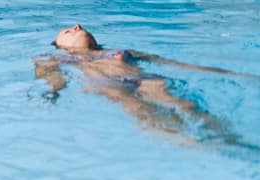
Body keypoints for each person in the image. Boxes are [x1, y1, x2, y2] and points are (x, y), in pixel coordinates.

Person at [34, 24, 244, 145]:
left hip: (145, 79)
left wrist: (230, 73)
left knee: (186, 105)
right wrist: (54, 91)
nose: (77, 26)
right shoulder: (57, 57)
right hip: (107, 83)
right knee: (144, 111)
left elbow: (172, 63)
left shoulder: (121, 51)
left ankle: (227, 137)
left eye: (77, 27)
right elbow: (51, 75)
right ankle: (191, 142)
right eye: (68, 32)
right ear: (60, 46)